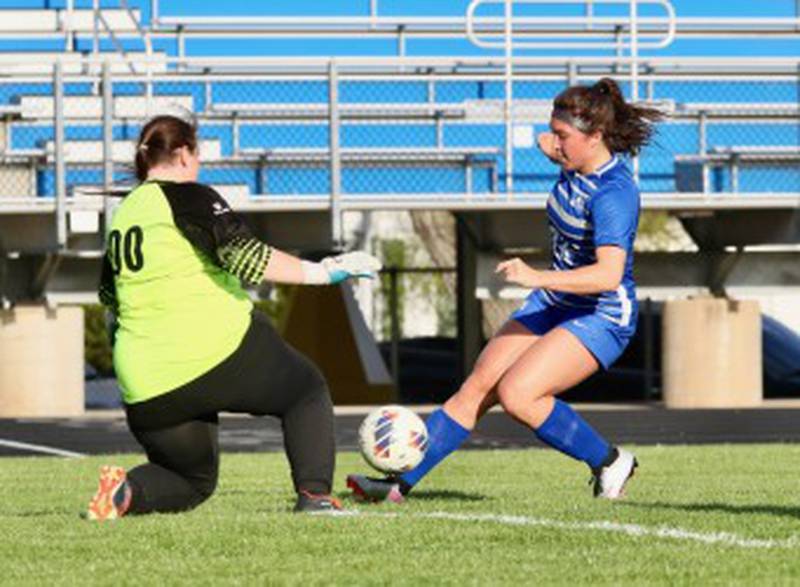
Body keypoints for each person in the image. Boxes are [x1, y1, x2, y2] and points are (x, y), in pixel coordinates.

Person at [347, 78, 663, 503]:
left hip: (601, 313)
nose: (554, 143)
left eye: (564, 137)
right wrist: (554, 141)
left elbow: (608, 276)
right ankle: (397, 485)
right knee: (477, 386)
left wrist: (535, 278)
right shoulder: (575, 158)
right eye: (554, 133)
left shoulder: (614, 193)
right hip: (557, 302)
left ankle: (609, 462)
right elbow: (550, 141)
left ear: (596, 137)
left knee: (518, 394)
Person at [85, 115, 381, 520]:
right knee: (305, 391)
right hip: (210, 346)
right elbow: (246, 256)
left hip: (143, 379)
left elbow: (108, 294)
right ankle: (315, 497)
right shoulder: (187, 195)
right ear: (185, 153)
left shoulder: (124, 214)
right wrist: (326, 271)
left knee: (192, 481)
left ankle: (126, 493)